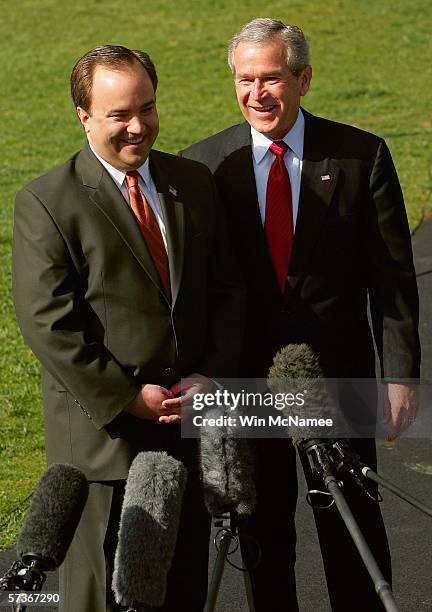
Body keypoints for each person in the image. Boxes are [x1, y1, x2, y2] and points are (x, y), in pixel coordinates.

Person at [180, 18, 421, 611]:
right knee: (262, 532)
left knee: (352, 525)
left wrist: (399, 375)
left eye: (272, 78)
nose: (257, 93)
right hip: (247, 380)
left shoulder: (362, 157)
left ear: (304, 79)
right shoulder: (204, 165)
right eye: (245, 80)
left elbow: (392, 278)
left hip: (339, 374)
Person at [12, 45, 245, 612]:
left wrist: (207, 374)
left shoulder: (191, 181)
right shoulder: (46, 202)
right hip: (105, 446)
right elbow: (49, 324)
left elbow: (227, 292)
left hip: (187, 433)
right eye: (119, 114)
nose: (138, 126)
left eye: (147, 107)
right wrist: (127, 397)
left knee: (183, 589)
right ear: (84, 116)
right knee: (104, 597)